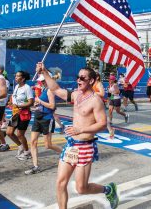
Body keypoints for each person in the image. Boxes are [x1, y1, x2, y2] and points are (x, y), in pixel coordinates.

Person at [35, 63, 118, 209]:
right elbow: (55, 89)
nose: (78, 80)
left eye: (82, 78)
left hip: (85, 147)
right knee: (60, 183)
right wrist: (45, 72)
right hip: (71, 145)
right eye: (77, 77)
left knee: (81, 189)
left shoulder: (95, 100)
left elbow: (103, 124)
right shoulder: (76, 94)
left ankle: (109, 190)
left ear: (91, 81)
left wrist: (80, 129)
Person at [25, 74, 62, 173]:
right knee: (33, 142)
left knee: (48, 145)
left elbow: (52, 106)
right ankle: (36, 166)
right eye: (42, 81)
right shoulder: (44, 89)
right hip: (38, 117)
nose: (41, 82)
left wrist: (40, 101)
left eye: (43, 81)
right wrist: (36, 104)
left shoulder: (50, 90)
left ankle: (65, 154)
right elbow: (41, 103)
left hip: (47, 119)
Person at [6, 71, 34, 160]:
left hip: (24, 113)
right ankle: (20, 146)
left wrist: (19, 106)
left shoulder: (27, 88)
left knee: (20, 134)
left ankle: (27, 152)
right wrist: (11, 102)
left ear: (23, 79)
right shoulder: (17, 86)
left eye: (18, 76)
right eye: (16, 75)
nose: (15, 77)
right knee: (9, 132)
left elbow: (31, 102)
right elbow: (14, 97)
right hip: (15, 113)